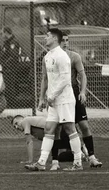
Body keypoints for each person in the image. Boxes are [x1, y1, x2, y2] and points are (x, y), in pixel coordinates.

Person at [25, 28, 83, 171]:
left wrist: (52, 96)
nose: (45, 38)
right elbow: (46, 79)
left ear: (55, 39)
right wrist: (42, 98)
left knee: (69, 128)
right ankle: (41, 163)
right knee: (49, 129)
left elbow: (65, 80)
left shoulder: (62, 56)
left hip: (64, 99)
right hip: (53, 100)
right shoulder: (47, 56)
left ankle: (78, 162)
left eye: (48, 36)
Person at [60, 34, 103, 167]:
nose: (65, 43)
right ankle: (59, 160)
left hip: (73, 92)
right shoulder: (52, 58)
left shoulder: (74, 56)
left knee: (84, 125)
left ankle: (92, 157)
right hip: (60, 95)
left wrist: (83, 92)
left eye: (67, 40)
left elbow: (83, 75)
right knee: (64, 129)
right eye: (62, 40)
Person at [12, 115, 87, 171]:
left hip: (61, 131)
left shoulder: (25, 121)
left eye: (16, 123)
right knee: (61, 156)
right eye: (14, 126)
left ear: (21, 119)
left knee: (59, 147)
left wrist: (30, 160)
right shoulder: (32, 125)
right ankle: (81, 152)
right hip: (59, 132)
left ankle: (81, 152)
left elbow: (29, 142)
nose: (16, 127)